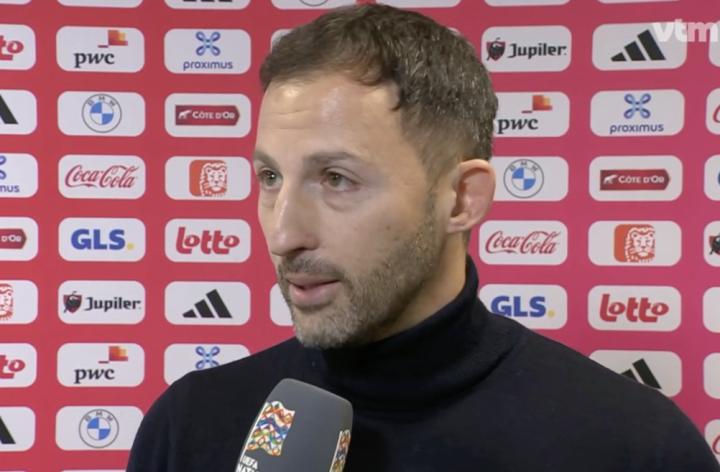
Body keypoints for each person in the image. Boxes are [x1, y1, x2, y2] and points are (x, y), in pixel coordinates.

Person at [127, 5, 719, 471]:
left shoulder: (634, 446)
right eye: (270, 177)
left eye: (336, 179)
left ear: (461, 199)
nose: (284, 234)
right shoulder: (191, 425)